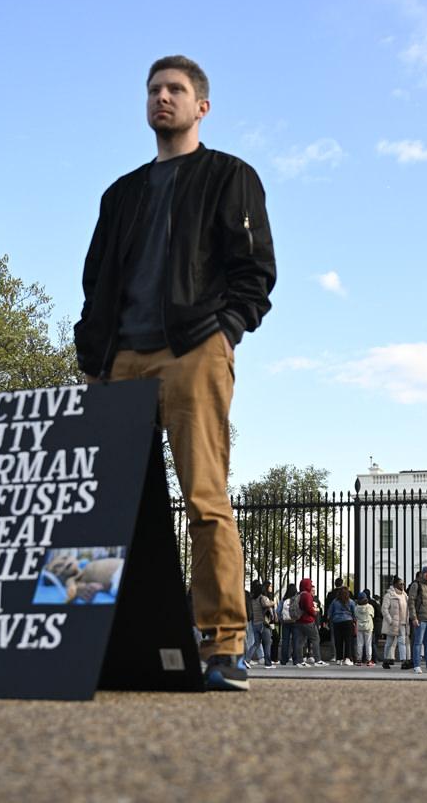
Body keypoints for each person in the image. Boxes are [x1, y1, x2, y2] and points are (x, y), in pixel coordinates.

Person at [73, 55, 276, 693]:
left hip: (193, 351)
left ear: (201, 106)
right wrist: (91, 349)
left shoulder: (229, 176)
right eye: (155, 90)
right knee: (96, 509)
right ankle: (75, 639)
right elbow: (95, 279)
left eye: (176, 90)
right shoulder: (121, 193)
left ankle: (222, 647)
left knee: (205, 499)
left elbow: (255, 271)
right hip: (118, 360)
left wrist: (225, 330)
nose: (163, 98)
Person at [407, 566, 427, 674]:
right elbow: (411, 602)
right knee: (418, 643)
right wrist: (414, 617)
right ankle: (416, 665)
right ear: (422, 574)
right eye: (426, 573)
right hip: (420, 619)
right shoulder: (416, 585)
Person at [293, 578, 325, 667]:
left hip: (299, 621)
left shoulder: (299, 594)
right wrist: (315, 612)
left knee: (300, 642)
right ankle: (317, 660)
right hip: (308, 621)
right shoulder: (307, 595)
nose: (311, 586)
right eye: (310, 584)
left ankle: (300, 661)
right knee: (315, 639)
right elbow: (308, 608)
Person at [380, 576, 409, 669]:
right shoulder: (389, 595)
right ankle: (386, 660)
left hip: (403, 622)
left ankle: (403, 661)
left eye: (403, 584)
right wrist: (390, 620)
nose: (402, 585)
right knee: (389, 642)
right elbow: (384, 609)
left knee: (402, 641)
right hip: (393, 623)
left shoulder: (405, 595)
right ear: (395, 584)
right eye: (401, 583)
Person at [246, 580, 275, 668]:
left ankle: (246, 660)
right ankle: (268, 663)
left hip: (255, 623)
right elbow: (266, 605)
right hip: (263, 623)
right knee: (267, 643)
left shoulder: (253, 599)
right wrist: (273, 602)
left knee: (256, 643)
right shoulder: (261, 598)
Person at [326, 587, 357, 665]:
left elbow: (330, 612)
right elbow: (355, 613)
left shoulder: (335, 602)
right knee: (348, 641)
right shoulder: (350, 601)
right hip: (348, 622)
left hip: (337, 622)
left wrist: (330, 620)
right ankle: (347, 658)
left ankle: (339, 659)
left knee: (338, 641)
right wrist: (354, 621)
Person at [354, 590, 376, 666]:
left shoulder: (356, 608)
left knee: (359, 644)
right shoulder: (370, 607)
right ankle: (369, 660)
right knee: (368, 644)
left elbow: (355, 616)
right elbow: (372, 615)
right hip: (368, 627)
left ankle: (359, 660)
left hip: (360, 627)